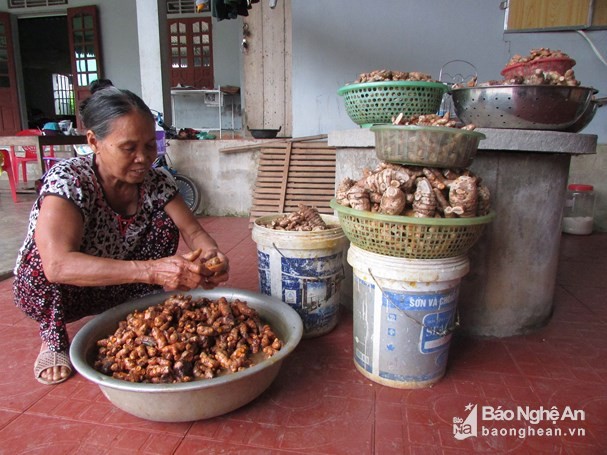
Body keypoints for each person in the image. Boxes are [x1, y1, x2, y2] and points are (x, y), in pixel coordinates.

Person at [13, 86, 229, 385]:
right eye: (129, 148)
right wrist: (153, 271)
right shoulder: (70, 180)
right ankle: (53, 338)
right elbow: (57, 266)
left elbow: (192, 230)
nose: (143, 158)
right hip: (63, 289)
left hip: (117, 282)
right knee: (44, 258)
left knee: (165, 222)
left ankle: (134, 307)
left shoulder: (156, 182)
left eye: (150, 146)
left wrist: (212, 256)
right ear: (94, 142)